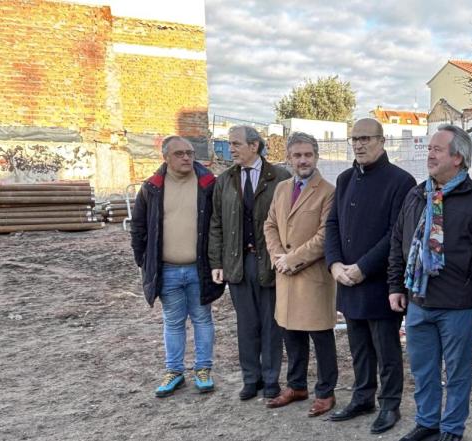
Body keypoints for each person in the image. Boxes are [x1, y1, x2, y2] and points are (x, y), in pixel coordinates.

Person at [387, 125, 472, 441]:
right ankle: (427, 422)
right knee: (423, 370)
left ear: (458, 157)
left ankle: (452, 429)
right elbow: (398, 241)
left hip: (459, 305)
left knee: (458, 372)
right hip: (419, 300)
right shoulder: (416, 194)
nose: (430, 154)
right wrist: (395, 286)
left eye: (437, 149)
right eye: (429, 148)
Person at [325, 118, 416, 433]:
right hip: (347, 278)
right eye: (354, 139)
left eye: (366, 138)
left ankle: (390, 404)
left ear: (382, 140)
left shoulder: (400, 181)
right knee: (358, 345)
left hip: (379, 282)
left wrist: (363, 267)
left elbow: (396, 234)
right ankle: (362, 397)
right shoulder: (345, 178)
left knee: (386, 348)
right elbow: (333, 224)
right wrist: (335, 264)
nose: (359, 144)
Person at [131, 136, 224, 397]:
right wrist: (144, 261)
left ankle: (203, 369)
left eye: (190, 153)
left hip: (200, 268)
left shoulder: (208, 184)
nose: (186, 158)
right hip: (167, 269)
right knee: (172, 322)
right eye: (180, 153)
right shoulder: (152, 188)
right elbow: (138, 227)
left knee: (203, 318)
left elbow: (218, 225)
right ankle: (174, 371)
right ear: (166, 157)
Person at [209, 126, 290, 401]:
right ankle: (250, 379)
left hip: (268, 261)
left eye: (235, 144)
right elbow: (216, 223)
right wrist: (216, 261)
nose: (230, 149)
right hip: (237, 262)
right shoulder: (225, 180)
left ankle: (270, 379)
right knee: (246, 324)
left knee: (271, 323)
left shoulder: (280, 177)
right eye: (230, 144)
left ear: (254, 146)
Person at [263, 132, 339, 416]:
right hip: (285, 276)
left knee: (320, 338)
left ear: (316, 157)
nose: (303, 160)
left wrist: (292, 259)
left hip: (312, 276)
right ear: (289, 158)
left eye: (308, 155)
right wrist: (277, 257)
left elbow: (324, 236)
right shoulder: (282, 188)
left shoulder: (328, 191)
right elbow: (269, 225)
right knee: (290, 335)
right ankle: (296, 386)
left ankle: (325, 392)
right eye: (297, 155)